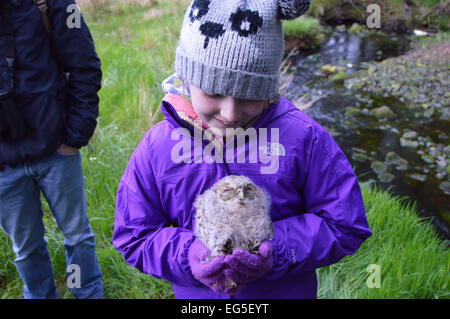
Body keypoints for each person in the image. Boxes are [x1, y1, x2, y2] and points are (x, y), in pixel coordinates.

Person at [113, 0, 372, 299]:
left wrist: (278, 250)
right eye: (213, 92)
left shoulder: (304, 139)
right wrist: (187, 256)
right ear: (187, 78)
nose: (231, 113)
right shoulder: (156, 148)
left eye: (249, 95)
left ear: (270, 87)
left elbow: (345, 224)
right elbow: (135, 235)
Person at [0, 0, 103, 299]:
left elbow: (84, 64)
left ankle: (86, 293)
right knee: (26, 250)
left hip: (56, 150)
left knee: (77, 237)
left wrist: (73, 138)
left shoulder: (49, 3)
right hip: (4, 166)